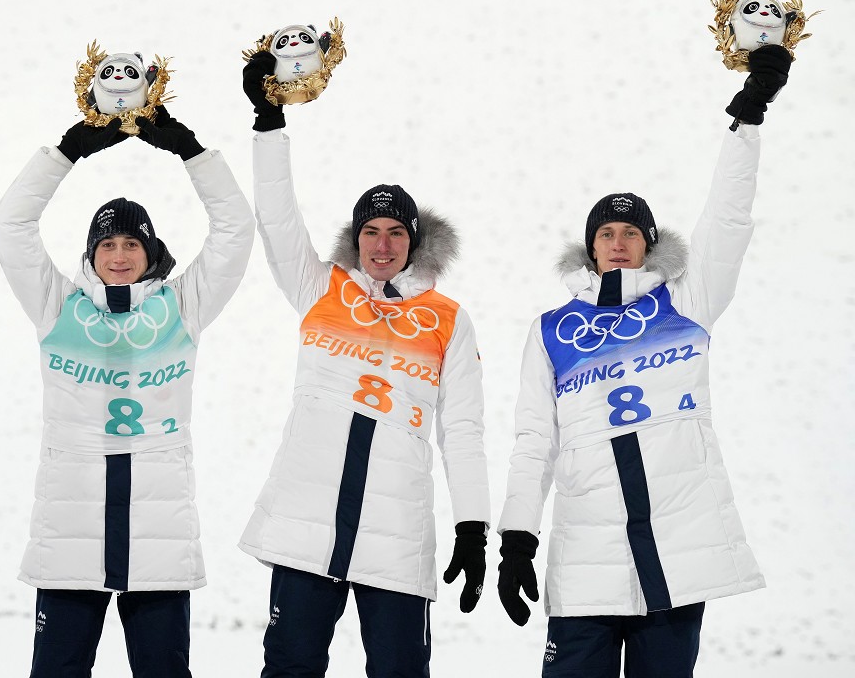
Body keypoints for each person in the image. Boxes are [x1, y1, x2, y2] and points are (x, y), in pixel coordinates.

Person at [495, 44, 793, 677]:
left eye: (632, 233)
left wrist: (748, 120)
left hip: (678, 552)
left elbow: (728, 220)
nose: (619, 242)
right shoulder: (552, 331)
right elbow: (532, 442)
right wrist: (517, 536)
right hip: (587, 556)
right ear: (590, 247)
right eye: (606, 233)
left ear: (651, 245)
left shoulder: (686, 304)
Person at [237, 51, 491, 677]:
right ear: (356, 238)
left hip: (396, 529)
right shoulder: (319, 286)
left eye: (396, 234)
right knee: (290, 668)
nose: (382, 245)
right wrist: (268, 124)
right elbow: (276, 215)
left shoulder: (447, 318)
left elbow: (463, 430)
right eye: (371, 231)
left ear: (414, 242)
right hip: (307, 522)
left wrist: (473, 525)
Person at [0, 108, 254, 678]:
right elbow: (11, 224)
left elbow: (236, 229)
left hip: (158, 538)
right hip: (70, 535)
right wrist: (67, 152)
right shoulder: (57, 305)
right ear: (90, 254)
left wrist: (191, 152)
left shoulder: (182, 307)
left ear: (150, 253)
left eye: (131, 244)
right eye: (106, 243)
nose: (118, 255)